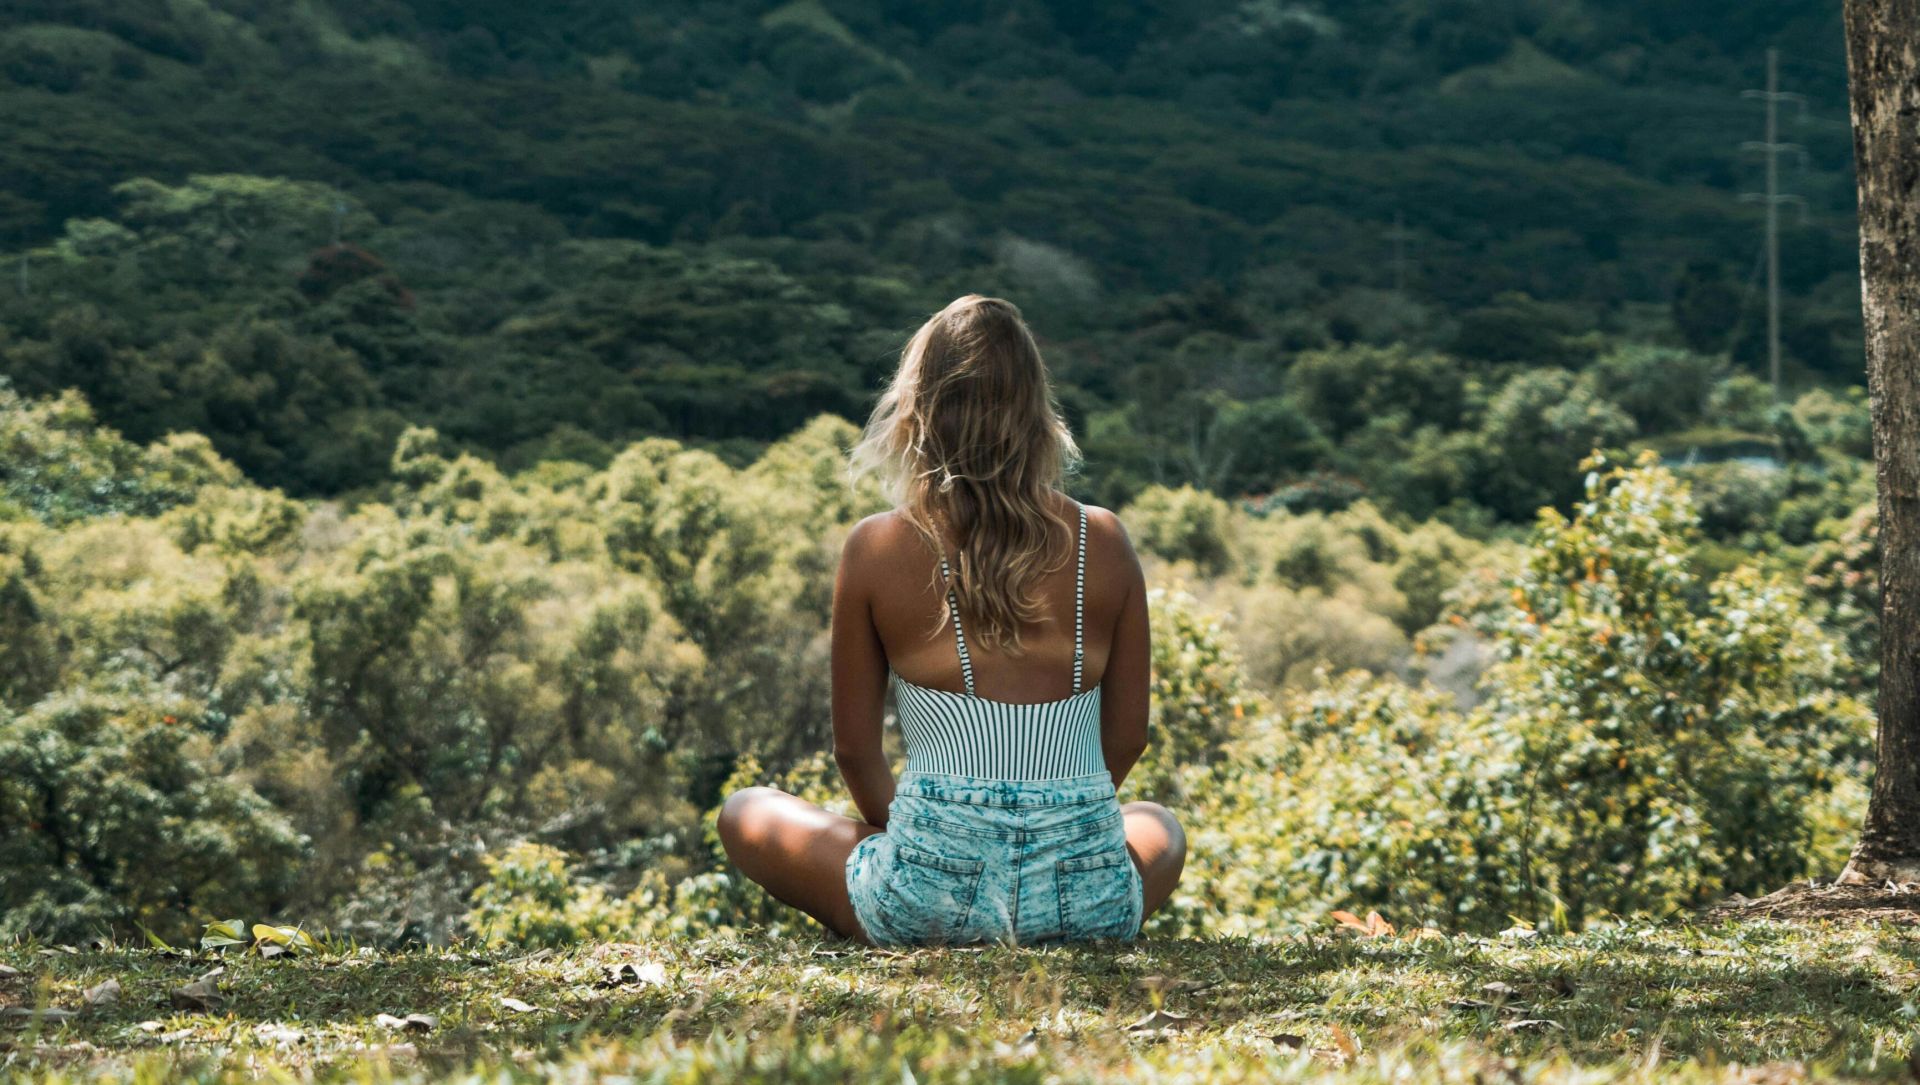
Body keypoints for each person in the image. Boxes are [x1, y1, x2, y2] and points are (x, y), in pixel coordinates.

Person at [717, 294, 1185, 945]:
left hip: (929, 899)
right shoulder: (1103, 539)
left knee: (746, 810)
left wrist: (938, 840)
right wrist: (1055, 824)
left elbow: (854, 750)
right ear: (1035, 410)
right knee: (1159, 823)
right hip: (1087, 898)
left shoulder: (876, 546)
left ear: (919, 409)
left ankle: (920, 903)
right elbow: (1128, 736)